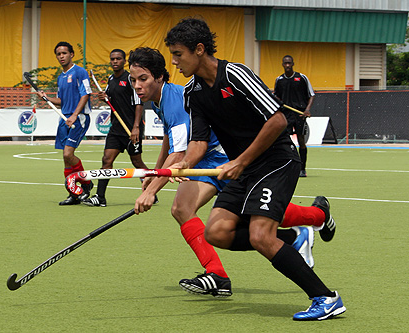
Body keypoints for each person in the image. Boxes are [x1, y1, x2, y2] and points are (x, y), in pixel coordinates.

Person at [164, 18, 344, 321]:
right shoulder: (192, 92)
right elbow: (198, 139)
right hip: (245, 168)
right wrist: (186, 163)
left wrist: (240, 161)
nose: (174, 61)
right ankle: (292, 238)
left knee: (261, 235)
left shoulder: (235, 74)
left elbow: (278, 120)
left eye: (178, 54)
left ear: (199, 49)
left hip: (276, 160)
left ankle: (326, 298)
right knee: (217, 232)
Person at [129, 47, 334, 298]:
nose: (137, 86)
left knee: (241, 213)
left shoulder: (176, 99)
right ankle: (315, 219)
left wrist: (151, 191)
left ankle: (222, 272)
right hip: (207, 157)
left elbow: (181, 152)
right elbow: (169, 141)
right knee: (239, 215)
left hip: (221, 157)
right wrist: (154, 173)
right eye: (133, 80)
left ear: (159, 77)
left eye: (143, 79)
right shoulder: (165, 99)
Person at [82, 49, 154, 207]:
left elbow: (138, 103)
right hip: (115, 128)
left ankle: (151, 191)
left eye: (118, 59)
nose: (115, 61)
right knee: (106, 160)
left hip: (131, 129)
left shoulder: (130, 79)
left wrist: (136, 127)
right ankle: (100, 197)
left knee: (137, 162)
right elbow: (110, 98)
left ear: (124, 61)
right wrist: (104, 98)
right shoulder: (110, 79)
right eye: (112, 59)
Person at [36, 41, 94, 205]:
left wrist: (75, 115)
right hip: (64, 118)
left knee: (68, 154)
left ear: (71, 54)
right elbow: (61, 100)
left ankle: (86, 183)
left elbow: (86, 95)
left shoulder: (80, 72)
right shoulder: (61, 77)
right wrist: (46, 98)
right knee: (66, 158)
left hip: (78, 118)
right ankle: (73, 193)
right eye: (58, 54)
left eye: (64, 53)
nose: (61, 56)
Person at [274, 55, 315, 177]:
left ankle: (303, 169)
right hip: (286, 115)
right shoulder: (279, 80)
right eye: (285, 63)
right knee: (285, 141)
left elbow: (311, 95)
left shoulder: (301, 78)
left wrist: (307, 109)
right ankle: (288, 167)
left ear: (293, 64)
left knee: (301, 141)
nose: (287, 65)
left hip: (299, 114)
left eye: (289, 63)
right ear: (282, 64)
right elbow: (276, 97)